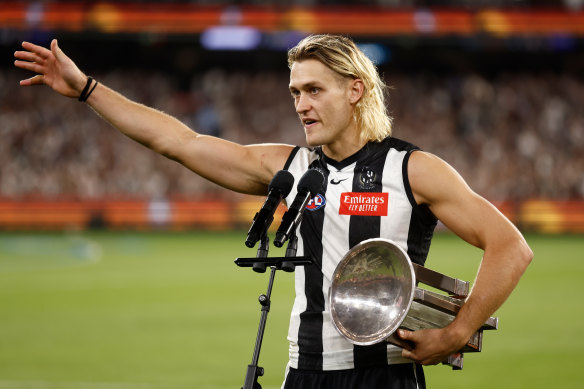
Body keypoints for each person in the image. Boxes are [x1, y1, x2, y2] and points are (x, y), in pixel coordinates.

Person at [14, 34, 533, 389]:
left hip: (386, 374)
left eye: (313, 90)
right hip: (301, 369)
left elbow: (511, 246)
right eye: (294, 92)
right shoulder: (290, 166)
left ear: (355, 90)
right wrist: (86, 89)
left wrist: (457, 332)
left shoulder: (413, 169)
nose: (300, 104)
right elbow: (179, 142)